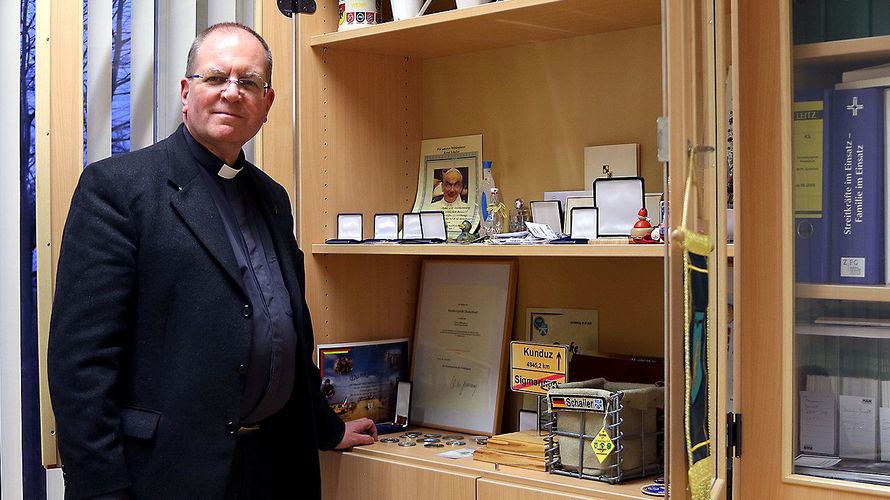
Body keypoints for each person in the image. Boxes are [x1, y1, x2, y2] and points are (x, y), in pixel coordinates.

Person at [47, 22, 377, 500]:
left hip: (274, 465)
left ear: (267, 103)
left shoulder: (273, 198)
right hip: (167, 473)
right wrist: (100, 488)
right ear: (186, 92)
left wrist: (326, 429)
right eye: (216, 77)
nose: (232, 93)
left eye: (249, 82)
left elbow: (289, 332)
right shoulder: (118, 189)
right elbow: (81, 366)